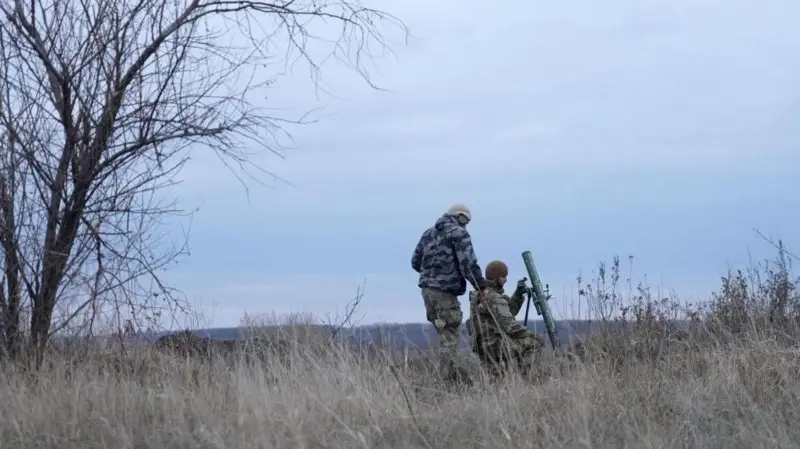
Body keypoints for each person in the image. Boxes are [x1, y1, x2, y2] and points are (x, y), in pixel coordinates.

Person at [411, 203, 488, 382]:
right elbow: (468, 264)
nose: (466, 225)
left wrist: (432, 275)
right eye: (466, 220)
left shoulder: (428, 233)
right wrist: (481, 287)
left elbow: (415, 262)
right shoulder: (459, 234)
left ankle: (452, 377)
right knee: (450, 336)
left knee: (444, 334)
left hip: (427, 292)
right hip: (445, 293)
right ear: (460, 217)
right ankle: (448, 381)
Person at [466, 260, 544, 378]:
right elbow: (510, 326)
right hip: (495, 345)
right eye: (503, 276)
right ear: (496, 278)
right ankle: (530, 378)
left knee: (496, 380)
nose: (506, 279)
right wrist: (533, 335)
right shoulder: (493, 297)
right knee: (533, 344)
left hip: (483, 346)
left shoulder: (480, 294)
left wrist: (518, 294)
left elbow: (507, 312)